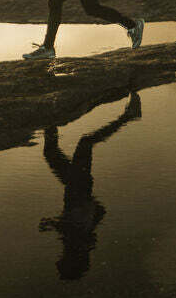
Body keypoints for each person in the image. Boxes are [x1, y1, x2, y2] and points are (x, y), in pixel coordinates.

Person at [39, 89, 143, 280]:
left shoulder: (82, 243)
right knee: (84, 143)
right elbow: (74, 224)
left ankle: (51, 117)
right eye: (62, 264)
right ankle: (128, 116)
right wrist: (53, 223)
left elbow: (99, 212)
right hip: (77, 185)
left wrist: (56, 222)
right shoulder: (78, 243)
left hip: (77, 186)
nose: (58, 261)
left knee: (53, 153)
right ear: (71, 262)